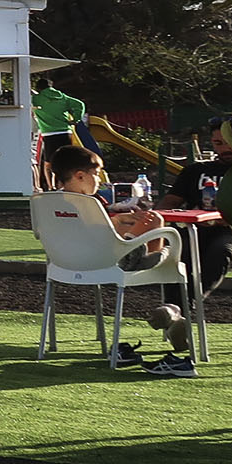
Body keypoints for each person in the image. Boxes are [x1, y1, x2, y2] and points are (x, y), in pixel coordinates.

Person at [50, 145, 193, 377]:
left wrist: (120, 220)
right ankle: (168, 292)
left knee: (149, 225)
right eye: (97, 173)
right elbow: (103, 232)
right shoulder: (91, 203)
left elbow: (91, 228)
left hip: (64, 264)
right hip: (114, 264)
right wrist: (134, 226)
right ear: (80, 175)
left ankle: (151, 251)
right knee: (160, 229)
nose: (99, 179)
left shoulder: (48, 201)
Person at [154, 113, 232, 305]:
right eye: (218, 143)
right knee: (177, 250)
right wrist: (164, 215)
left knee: (221, 252)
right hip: (196, 229)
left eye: (229, 142)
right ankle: (173, 309)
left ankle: (181, 307)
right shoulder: (195, 171)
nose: (224, 148)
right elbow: (169, 202)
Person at [33, 77, 86, 188]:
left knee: (48, 163)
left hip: (49, 133)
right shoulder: (62, 97)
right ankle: (64, 185)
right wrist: (76, 119)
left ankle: (51, 187)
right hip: (65, 131)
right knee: (66, 161)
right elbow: (80, 104)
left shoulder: (37, 98)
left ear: (38, 88)